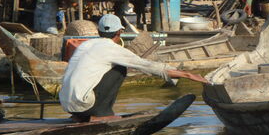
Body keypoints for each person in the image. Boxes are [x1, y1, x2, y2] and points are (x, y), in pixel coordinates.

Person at [59, 14, 207, 122]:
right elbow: (148, 66)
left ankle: (78, 117)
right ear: (119, 33)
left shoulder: (85, 44)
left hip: (66, 104)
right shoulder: (112, 49)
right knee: (120, 69)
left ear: (99, 32)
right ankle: (101, 115)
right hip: (84, 104)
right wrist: (187, 75)